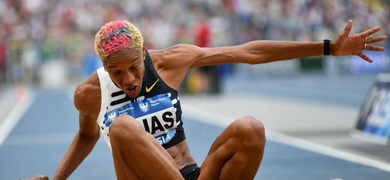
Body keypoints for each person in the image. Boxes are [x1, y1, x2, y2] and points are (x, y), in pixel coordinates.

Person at [30, 19, 386, 180]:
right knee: (122, 127)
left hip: (191, 174)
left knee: (250, 128)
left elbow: (249, 52)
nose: (129, 79)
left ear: (145, 54)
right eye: (117, 72)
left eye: (135, 68)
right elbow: (88, 135)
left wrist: (326, 47)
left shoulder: (171, 61)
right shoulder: (89, 94)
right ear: (103, 66)